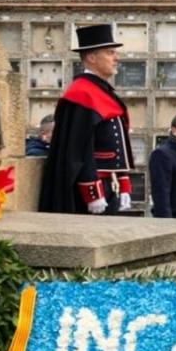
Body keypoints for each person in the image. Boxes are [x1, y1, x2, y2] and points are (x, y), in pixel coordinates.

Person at [38, 24, 134, 216]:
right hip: (90, 190)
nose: (117, 58)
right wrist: (92, 191)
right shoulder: (80, 94)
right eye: (110, 52)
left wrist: (123, 183)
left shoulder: (101, 90)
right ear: (91, 57)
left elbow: (113, 145)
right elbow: (79, 148)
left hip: (109, 184)